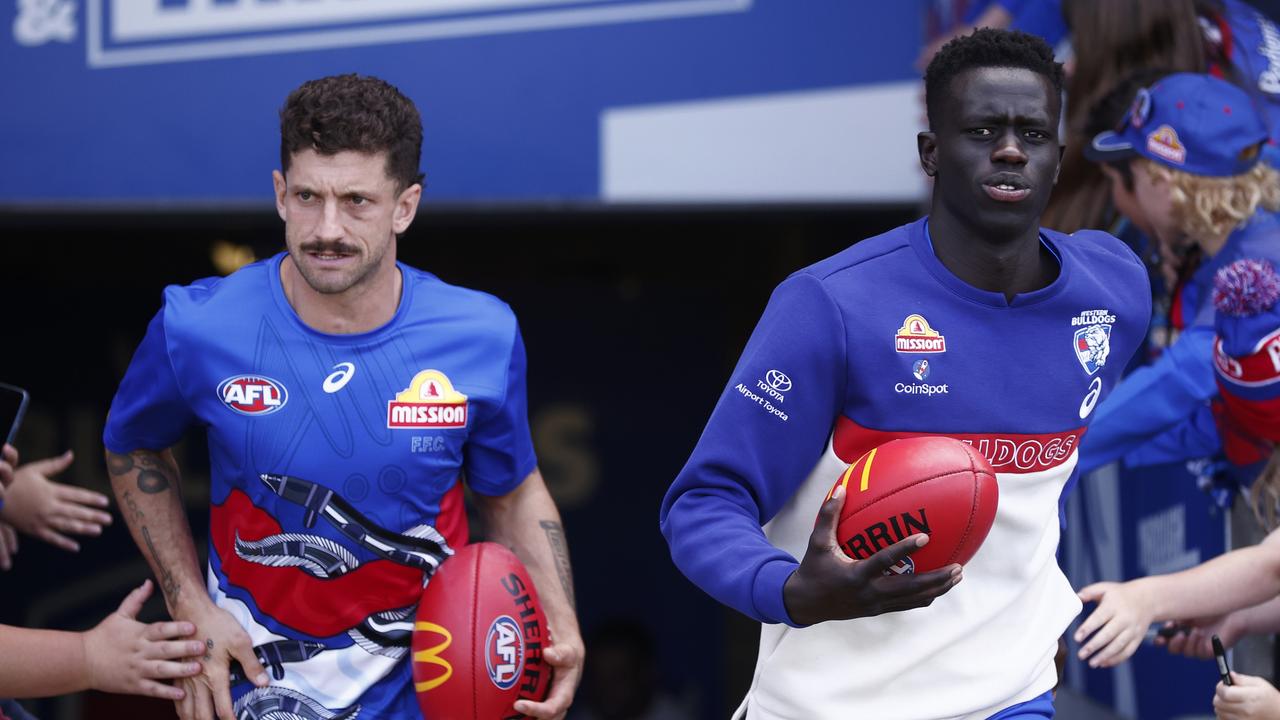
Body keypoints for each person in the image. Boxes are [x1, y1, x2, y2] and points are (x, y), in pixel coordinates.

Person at [660, 28, 1150, 720]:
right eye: (981, 130)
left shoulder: (1112, 294)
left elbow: (1039, 478)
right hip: (824, 704)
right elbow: (703, 503)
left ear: (1058, 158)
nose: (1010, 149)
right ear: (930, 154)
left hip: (1010, 697)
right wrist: (790, 588)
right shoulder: (830, 306)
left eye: (1032, 134)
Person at [102, 74, 582, 720]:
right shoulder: (197, 326)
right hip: (253, 694)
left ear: (405, 206)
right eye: (307, 196)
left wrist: (561, 619)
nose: (326, 228)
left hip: (427, 702)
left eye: (356, 200)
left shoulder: (482, 335)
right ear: (279, 193)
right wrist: (189, 601)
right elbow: (132, 446)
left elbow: (513, 490)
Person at [1077, 73, 1280, 476]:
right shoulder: (1245, 236)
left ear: (1165, 182)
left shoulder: (1256, 259)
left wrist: (1053, 450)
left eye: (1132, 170)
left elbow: (1186, 376)